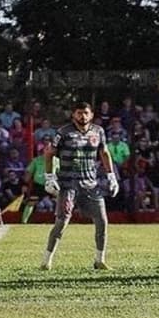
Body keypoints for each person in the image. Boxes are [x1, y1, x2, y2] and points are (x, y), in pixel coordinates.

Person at [41, 102, 118, 271]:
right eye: (79, 113)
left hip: (91, 184)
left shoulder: (99, 131)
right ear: (73, 115)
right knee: (62, 222)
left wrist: (111, 176)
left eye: (85, 113)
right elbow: (49, 154)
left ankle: (100, 260)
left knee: (102, 221)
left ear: (91, 115)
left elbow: (104, 153)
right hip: (68, 184)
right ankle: (46, 261)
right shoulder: (63, 132)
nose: (82, 116)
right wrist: (49, 177)